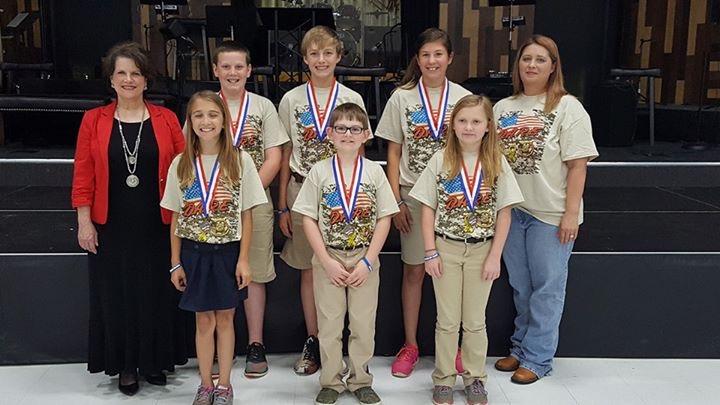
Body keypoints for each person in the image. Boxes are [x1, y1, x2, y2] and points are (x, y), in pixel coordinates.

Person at [71, 41, 188, 396]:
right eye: (121, 73)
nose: (128, 80)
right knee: (117, 295)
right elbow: (83, 174)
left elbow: (185, 169)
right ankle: (125, 365)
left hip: (159, 224)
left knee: (156, 293)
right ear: (111, 79)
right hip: (111, 225)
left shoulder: (166, 118)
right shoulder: (94, 120)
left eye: (135, 73)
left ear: (146, 80)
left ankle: (154, 361)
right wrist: (84, 221)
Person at [492, 35, 598, 384]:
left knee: (548, 289)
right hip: (512, 213)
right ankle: (520, 348)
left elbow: (578, 165)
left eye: (540, 60)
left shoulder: (568, 107)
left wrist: (571, 214)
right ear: (517, 65)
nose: (532, 65)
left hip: (550, 216)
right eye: (526, 59)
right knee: (521, 287)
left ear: (553, 66)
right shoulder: (503, 108)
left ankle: (538, 359)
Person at [410, 95, 523, 405]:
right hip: (445, 248)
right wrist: (430, 251)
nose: (469, 127)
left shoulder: (497, 162)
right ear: (453, 126)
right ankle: (444, 378)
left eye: (476, 121)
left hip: (481, 251)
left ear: (488, 126)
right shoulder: (440, 159)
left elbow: (505, 212)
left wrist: (495, 255)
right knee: (446, 320)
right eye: (462, 121)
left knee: (474, 321)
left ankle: (475, 377)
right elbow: (427, 209)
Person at [374, 27, 471, 377]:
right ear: (418, 59)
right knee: (414, 271)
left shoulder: (463, 98)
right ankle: (411, 344)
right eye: (426, 54)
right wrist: (396, 199)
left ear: (450, 58)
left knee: (451, 276)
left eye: (438, 54)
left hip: (453, 199)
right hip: (413, 197)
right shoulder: (402, 97)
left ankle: (453, 346)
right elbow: (394, 151)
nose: (432, 61)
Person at [161, 91, 267, 404]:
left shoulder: (239, 159)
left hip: (228, 253)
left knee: (225, 319)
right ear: (190, 121)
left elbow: (247, 215)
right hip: (194, 253)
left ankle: (224, 385)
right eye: (198, 116)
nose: (206, 122)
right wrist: (175, 262)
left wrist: (244, 259)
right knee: (203, 321)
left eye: (212, 115)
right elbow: (176, 218)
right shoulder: (181, 164)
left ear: (224, 120)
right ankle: (205, 384)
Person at [276, 25, 369, 375]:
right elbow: (286, 151)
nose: (321, 59)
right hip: (302, 191)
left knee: (346, 263)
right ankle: (314, 340)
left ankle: (345, 343)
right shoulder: (291, 100)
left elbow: (359, 149)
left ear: (338, 57)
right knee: (310, 268)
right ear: (305, 59)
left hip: (343, 192)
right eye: (314, 54)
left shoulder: (352, 99)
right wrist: (283, 204)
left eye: (327, 53)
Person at [292, 103, 398, 405]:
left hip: (365, 257)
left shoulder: (375, 173)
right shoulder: (319, 171)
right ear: (330, 134)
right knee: (330, 324)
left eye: (354, 128)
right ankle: (330, 381)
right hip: (329, 258)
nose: (348, 134)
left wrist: (368, 261)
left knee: (364, 324)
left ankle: (360, 379)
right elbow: (308, 218)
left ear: (366, 134)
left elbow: (384, 218)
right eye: (341, 128)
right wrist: (325, 261)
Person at [212, 40, 289, 378]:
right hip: (211, 205)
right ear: (215, 70)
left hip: (255, 201)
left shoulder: (262, 107)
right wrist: (221, 192)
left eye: (238, 66)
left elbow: (275, 156)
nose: (232, 72)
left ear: (248, 71)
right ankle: (216, 344)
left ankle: (255, 343)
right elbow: (188, 154)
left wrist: (246, 191)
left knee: (253, 271)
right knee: (216, 271)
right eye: (225, 66)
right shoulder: (204, 105)